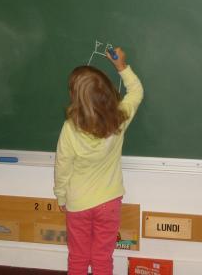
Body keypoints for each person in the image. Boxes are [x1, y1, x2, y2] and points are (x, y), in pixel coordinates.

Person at [54, 47, 143, 275]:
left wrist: (61, 195)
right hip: (109, 201)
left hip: (78, 203)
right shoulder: (119, 119)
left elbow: (62, 166)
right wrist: (121, 66)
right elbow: (136, 92)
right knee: (103, 258)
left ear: (76, 98)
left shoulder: (70, 129)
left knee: (78, 258)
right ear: (107, 92)